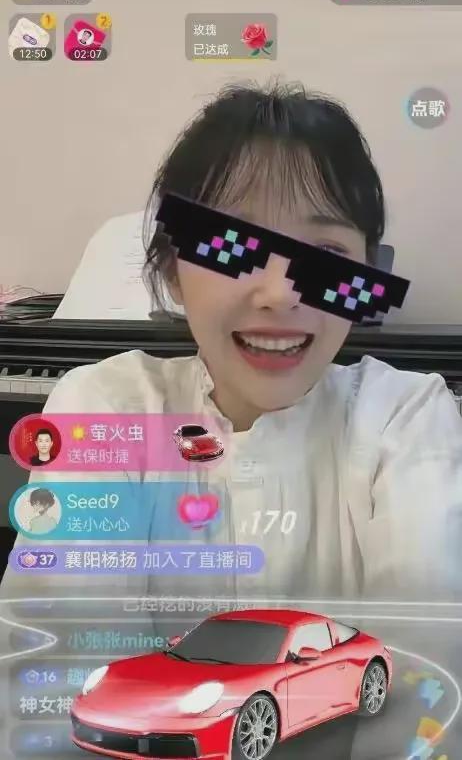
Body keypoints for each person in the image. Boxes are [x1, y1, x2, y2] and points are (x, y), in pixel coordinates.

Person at [2, 80, 462, 604]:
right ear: (172, 273)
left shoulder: (406, 418)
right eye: (232, 247)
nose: (281, 294)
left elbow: (427, 637)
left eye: (326, 253)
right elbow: (61, 632)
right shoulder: (104, 406)